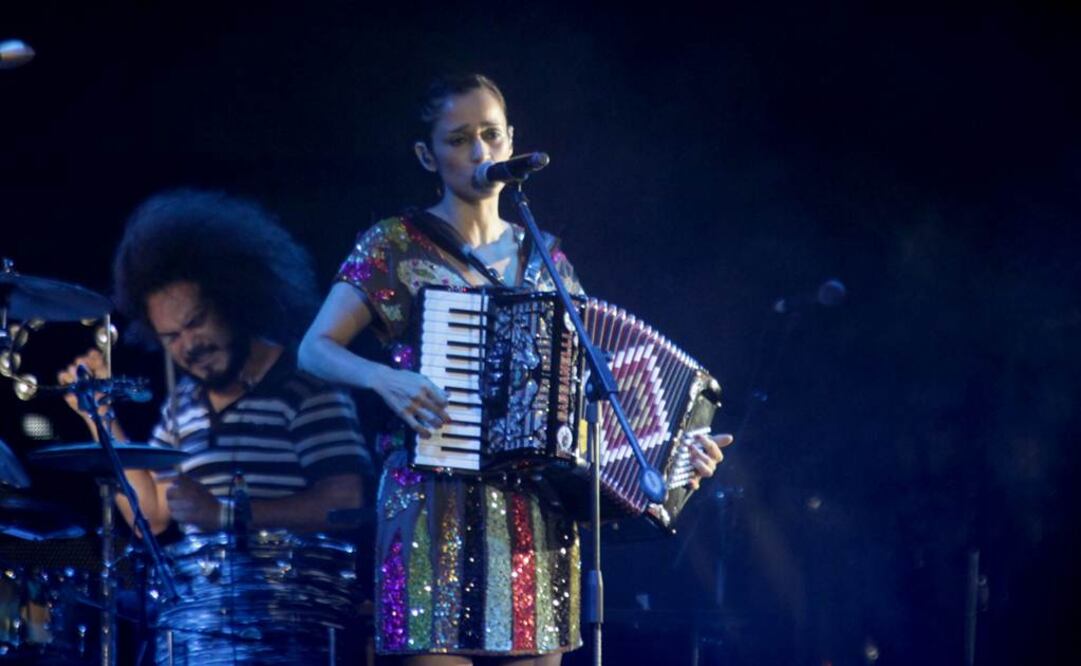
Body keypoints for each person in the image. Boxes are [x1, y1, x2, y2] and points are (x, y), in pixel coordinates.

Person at [299, 74, 731, 666]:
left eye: (490, 135)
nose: (478, 152)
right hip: (433, 516)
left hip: (536, 525)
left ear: (510, 143)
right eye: (458, 139)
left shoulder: (547, 261)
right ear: (427, 155)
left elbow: (584, 404)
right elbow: (314, 348)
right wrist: (384, 378)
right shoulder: (395, 244)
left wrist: (677, 460)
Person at [59, 188, 370, 538]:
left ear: (232, 301)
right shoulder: (183, 406)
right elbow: (152, 515)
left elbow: (346, 500)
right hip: (203, 593)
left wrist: (226, 515)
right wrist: (101, 418)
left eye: (195, 322)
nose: (189, 346)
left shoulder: (307, 385)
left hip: (296, 591)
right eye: (171, 337)